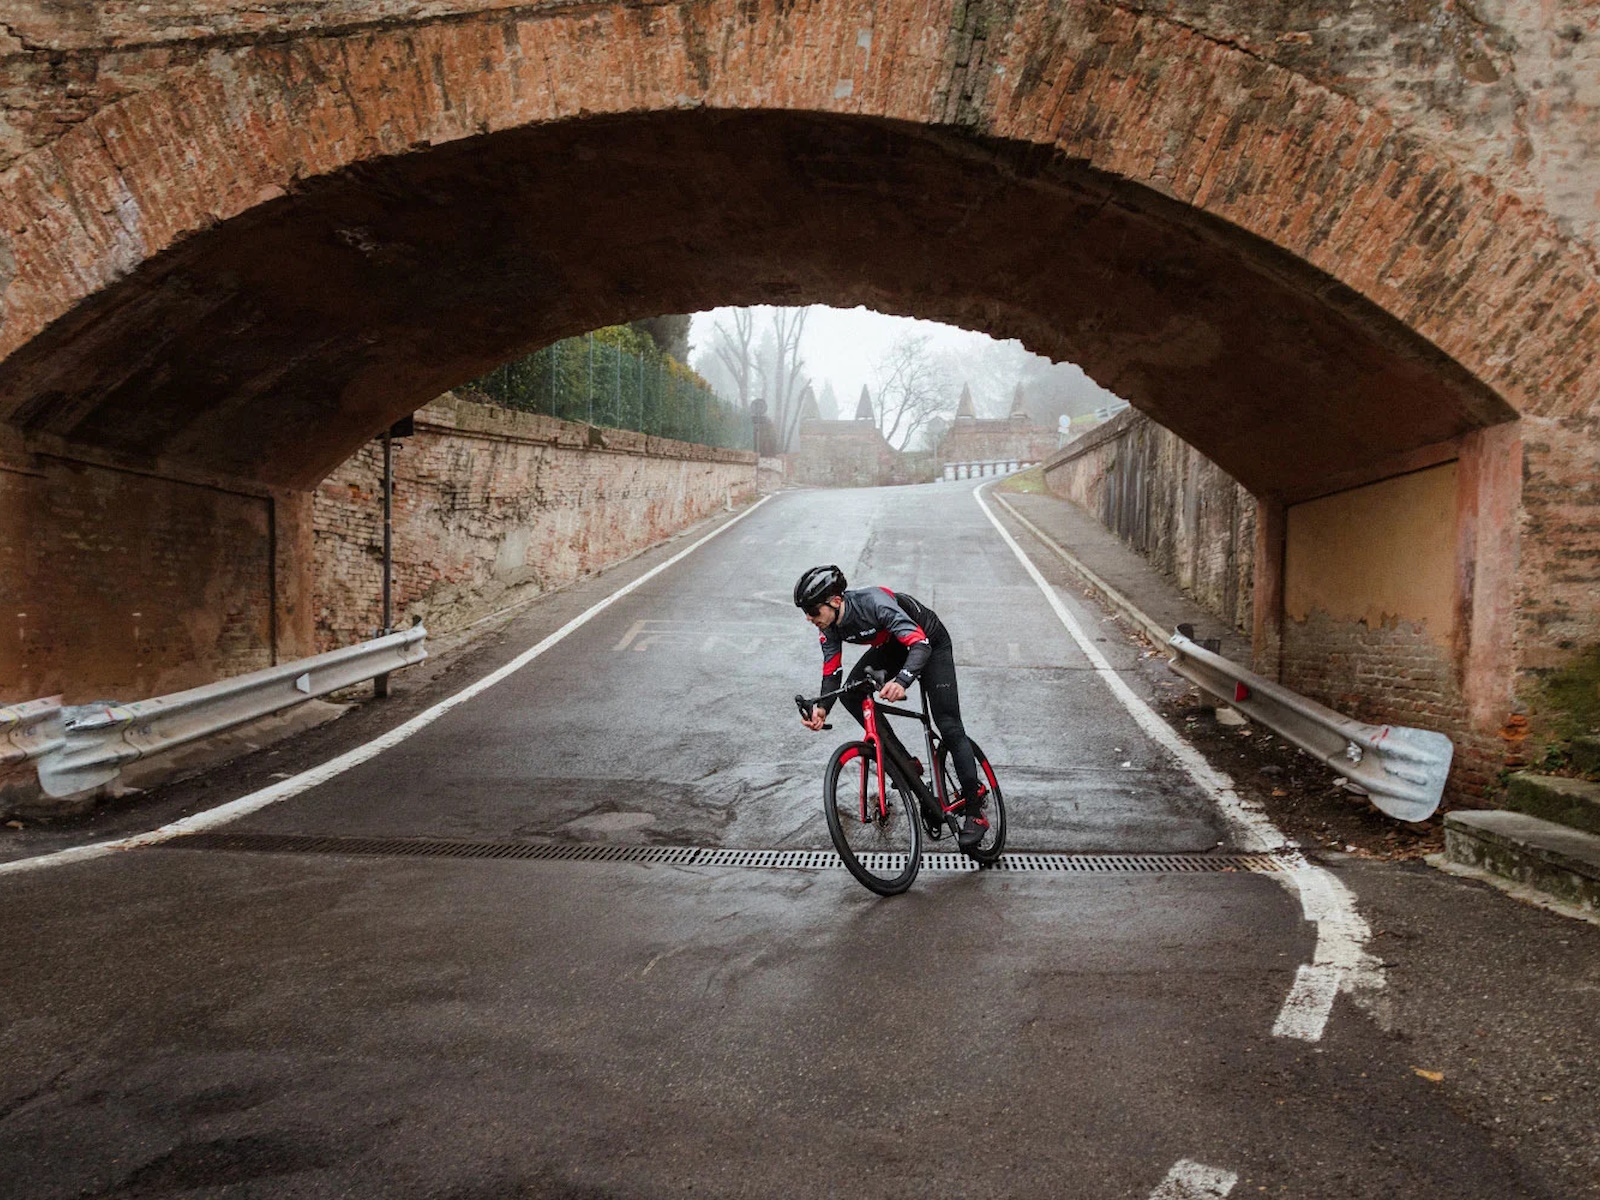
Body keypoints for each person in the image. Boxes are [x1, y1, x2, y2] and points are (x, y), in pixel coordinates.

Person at [794, 564, 988, 849]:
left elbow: (920, 644)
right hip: (894, 645)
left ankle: (974, 812)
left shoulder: (874, 603)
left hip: (929, 641)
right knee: (851, 693)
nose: (809, 618)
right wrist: (822, 708)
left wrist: (902, 680)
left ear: (835, 601)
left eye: (813, 611)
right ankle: (905, 763)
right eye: (805, 613)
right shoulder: (829, 624)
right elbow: (832, 669)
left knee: (948, 725)